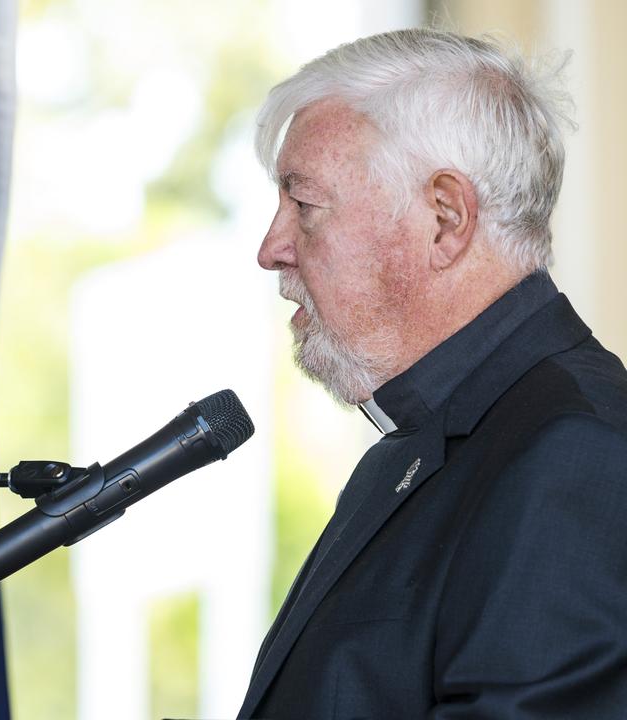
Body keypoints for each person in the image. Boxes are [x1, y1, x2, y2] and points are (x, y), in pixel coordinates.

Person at [240, 28, 627, 718]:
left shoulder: (576, 455)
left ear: (445, 219)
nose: (271, 249)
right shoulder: (411, 451)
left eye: (304, 205)